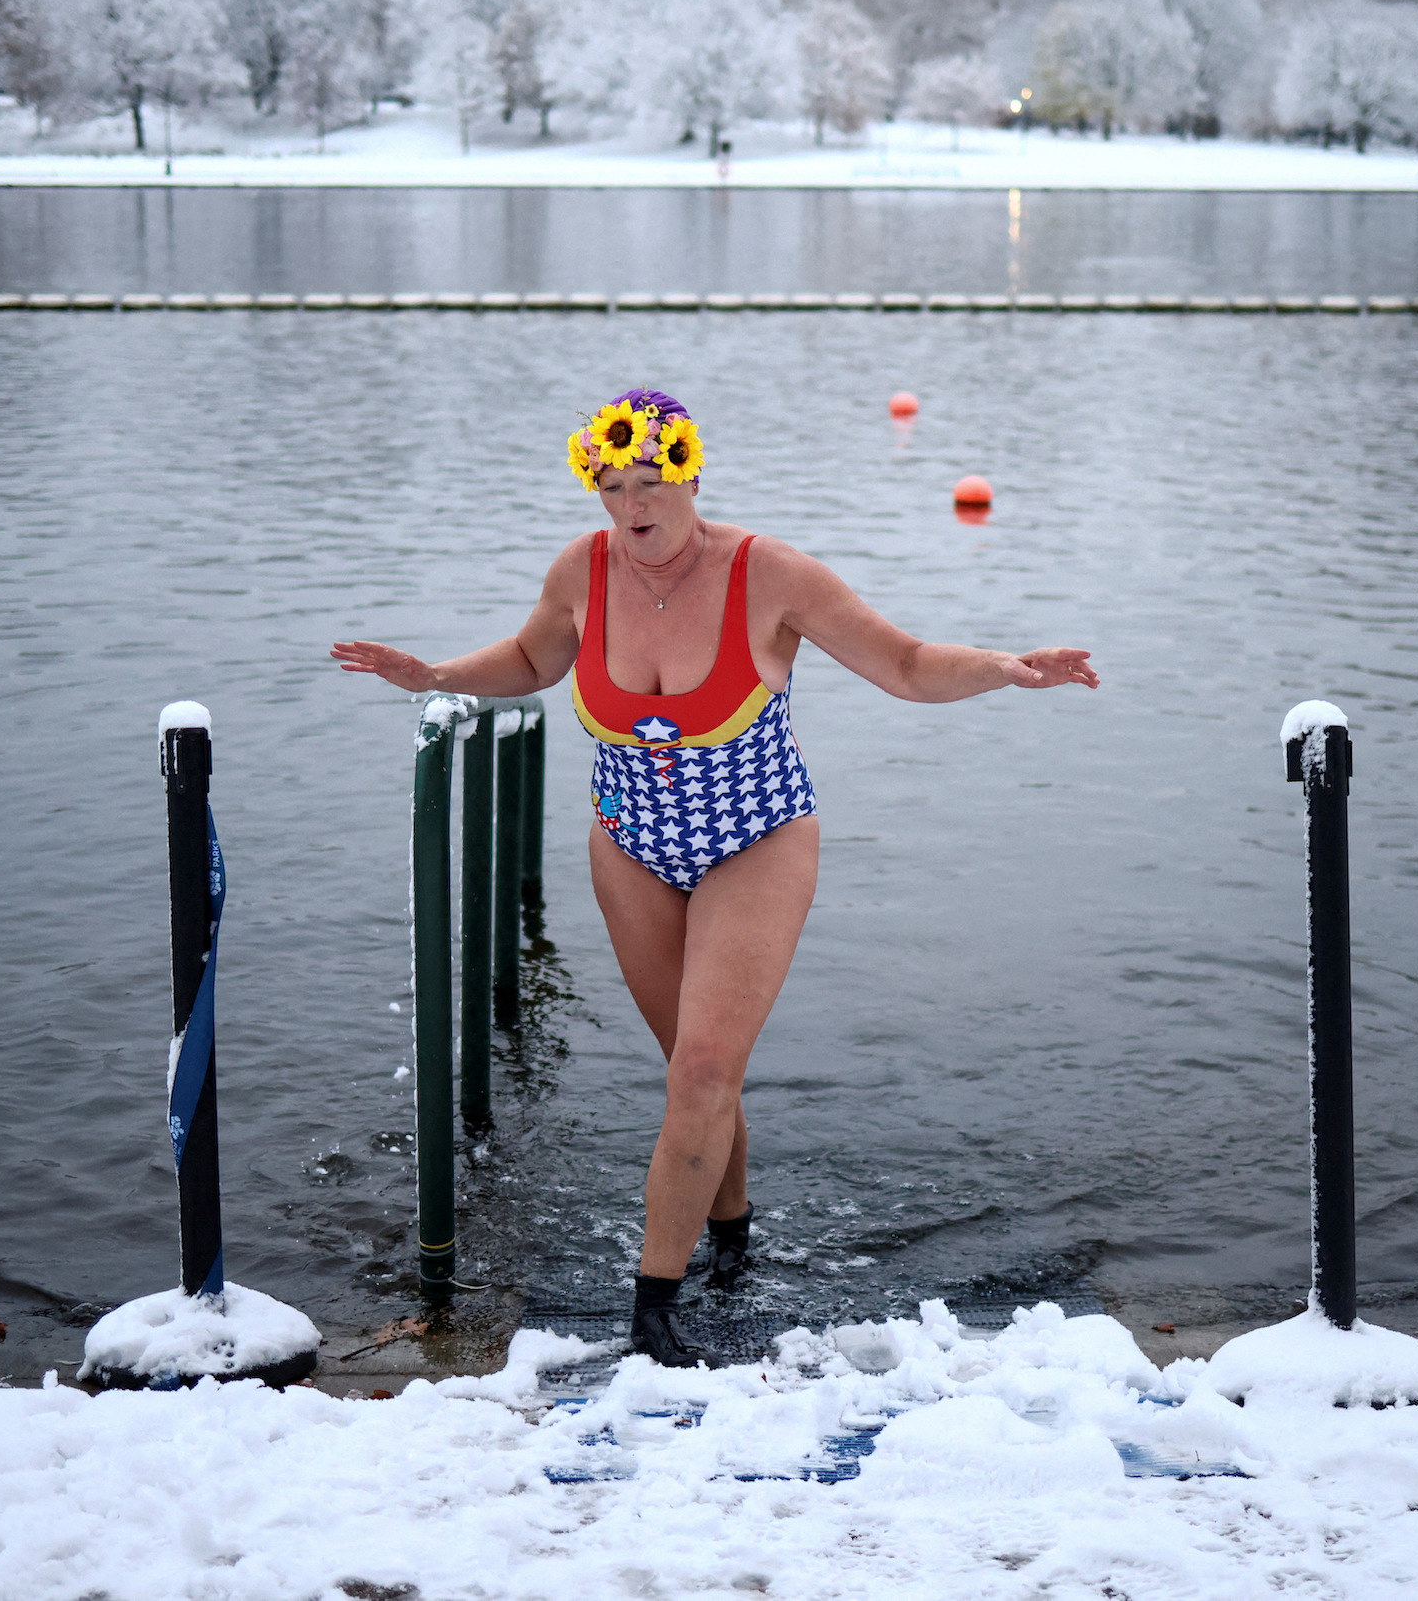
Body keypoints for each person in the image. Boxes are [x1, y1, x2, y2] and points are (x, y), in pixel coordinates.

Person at [331, 389, 1097, 1365]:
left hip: (757, 840)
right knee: (697, 1069)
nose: (633, 506)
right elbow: (532, 656)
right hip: (631, 845)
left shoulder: (766, 573)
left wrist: (1003, 664)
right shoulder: (583, 567)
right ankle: (734, 1236)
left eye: (650, 484)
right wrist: (431, 672)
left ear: (691, 475)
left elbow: (904, 664)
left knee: (700, 1070)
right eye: (612, 486)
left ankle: (653, 1313)